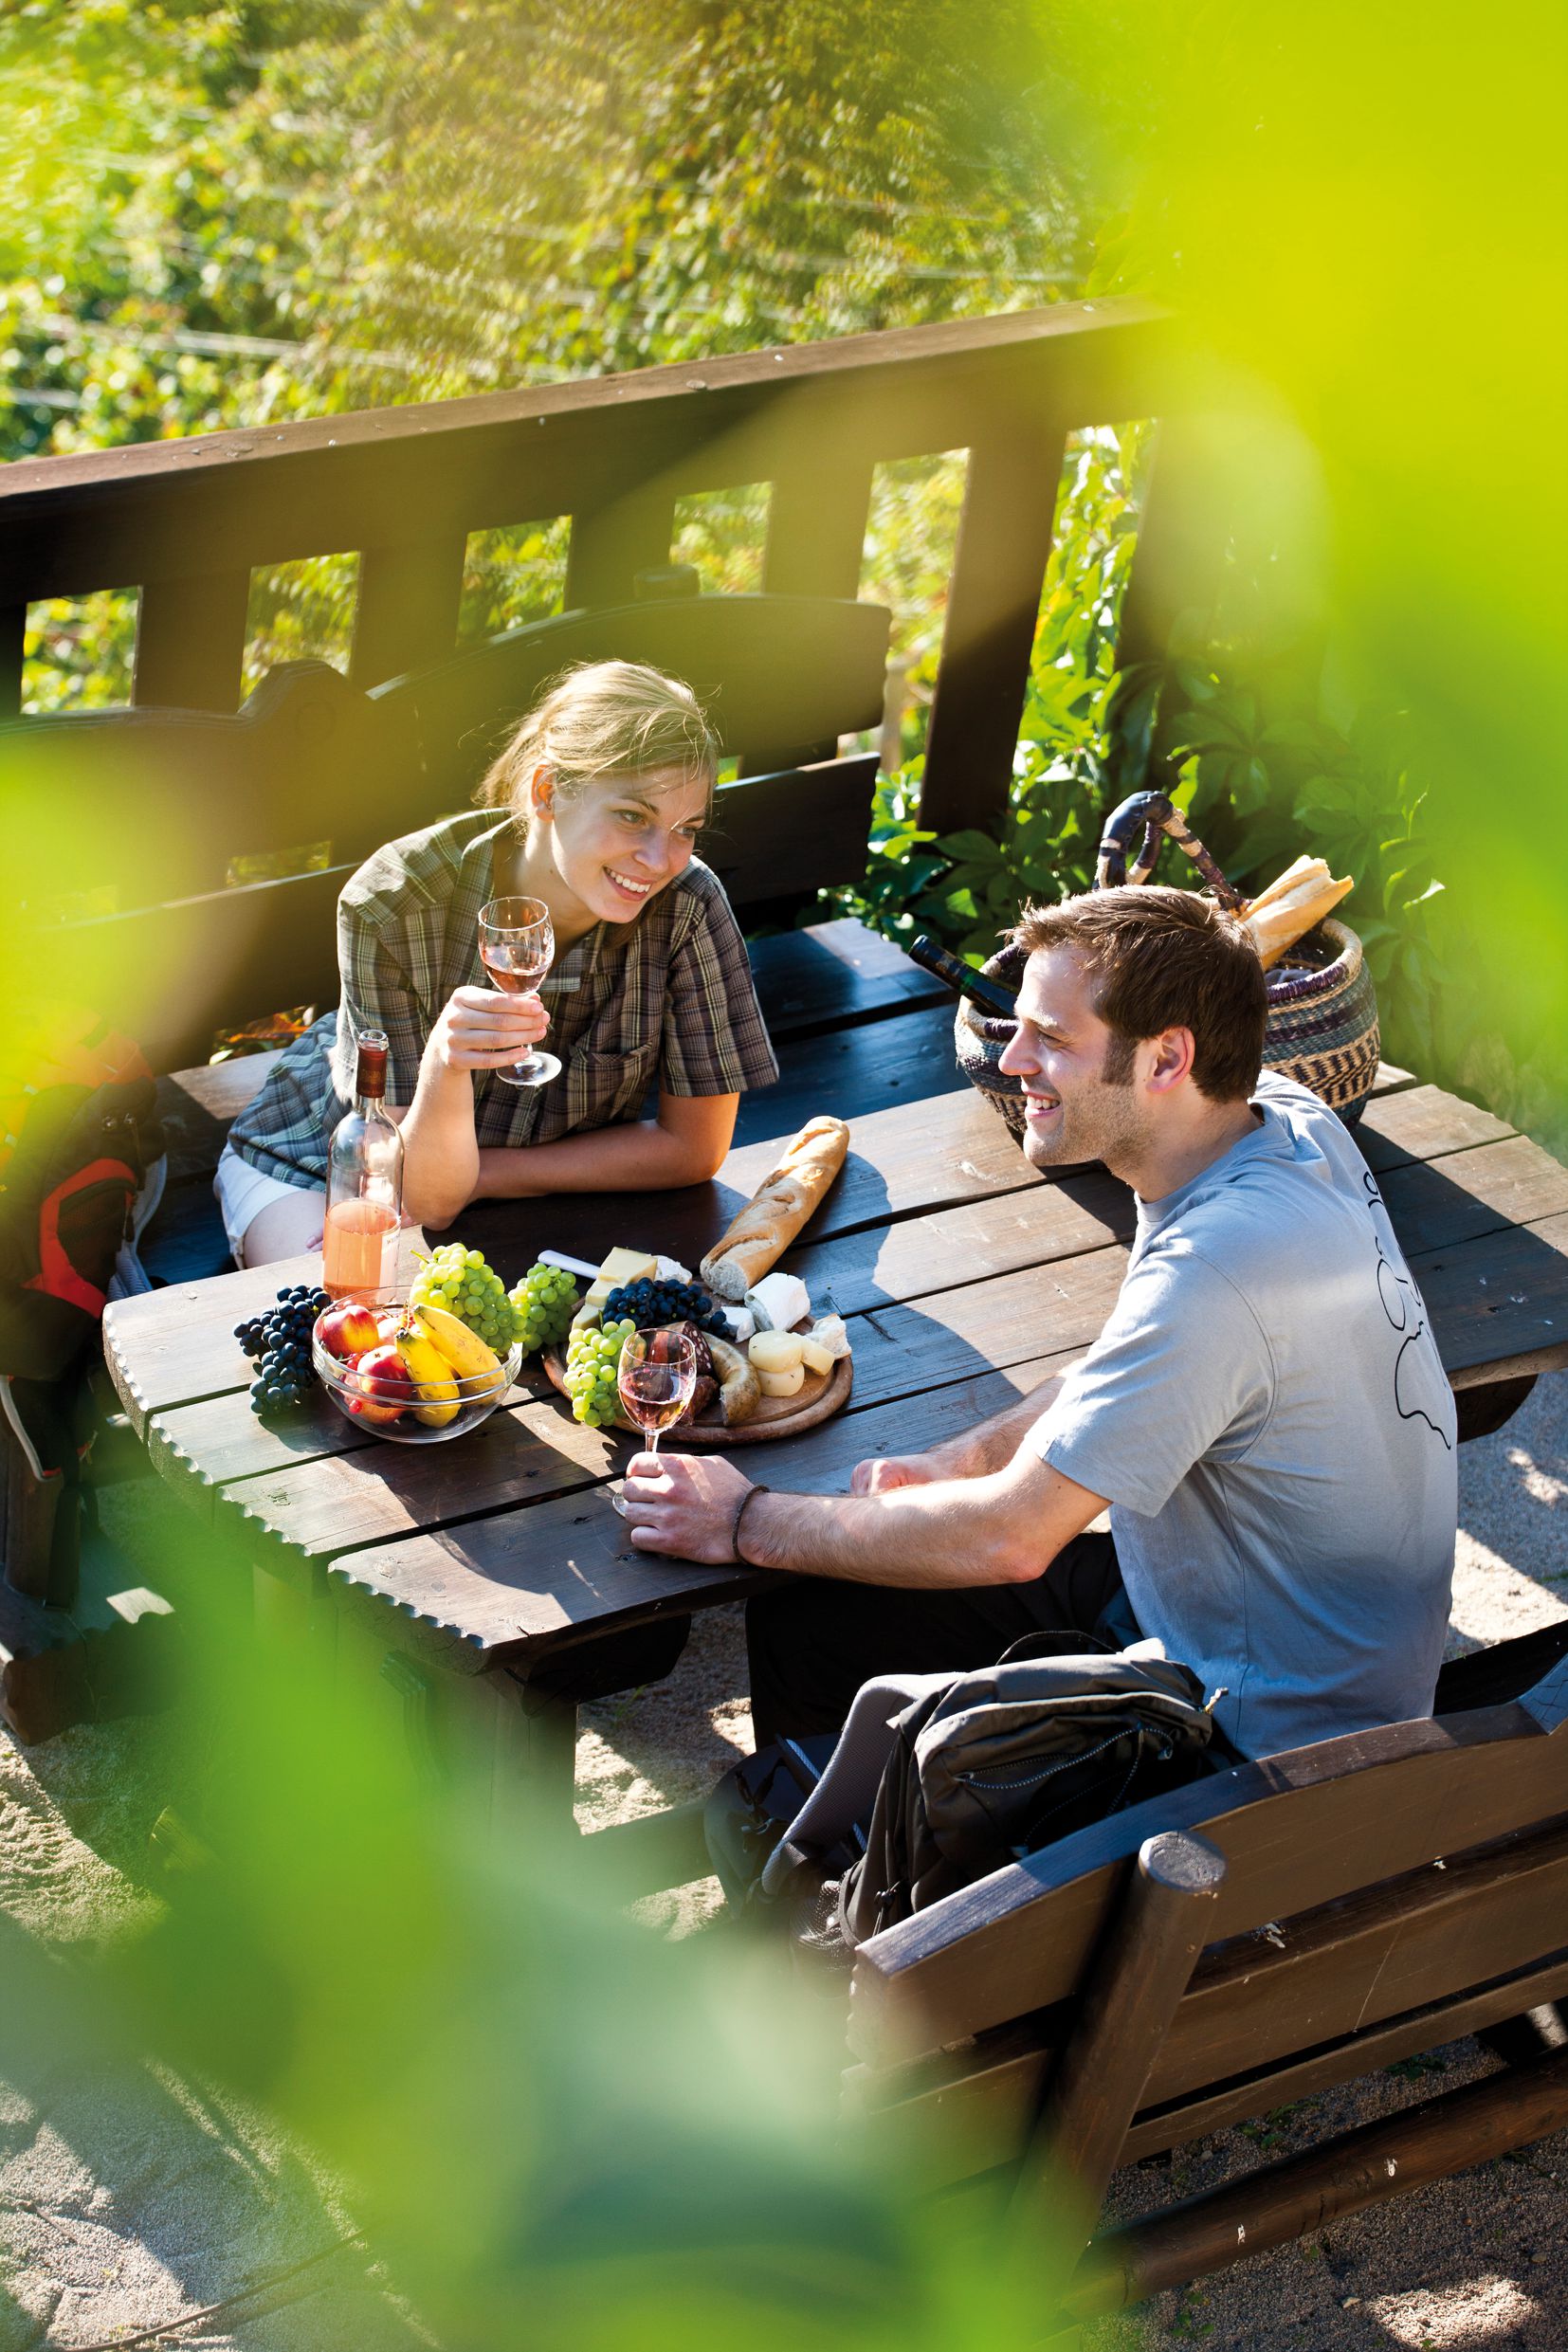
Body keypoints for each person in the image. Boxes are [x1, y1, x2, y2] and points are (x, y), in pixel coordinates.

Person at [623, 885, 1460, 1764]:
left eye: (1052, 1038)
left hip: (1269, 1745)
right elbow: (1130, 1365)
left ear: (1168, 1057)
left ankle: (852, 1873)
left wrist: (745, 1518)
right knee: (829, 1596)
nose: (1012, 1057)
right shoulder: (1285, 1122)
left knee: (803, 1595)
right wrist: (963, 1459)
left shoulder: (1215, 1265)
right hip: (1312, 1646)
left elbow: (1011, 1537)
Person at [218, 660, 779, 1265]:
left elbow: (694, 1150)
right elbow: (423, 1197)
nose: (659, 858)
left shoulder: (689, 907)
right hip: (331, 1166)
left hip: (539, 1186)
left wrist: (486, 1175)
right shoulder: (395, 903)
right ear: (546, 793)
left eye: (686, 828)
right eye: (632, 816)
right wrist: (444, 1061)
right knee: (354, 1310)